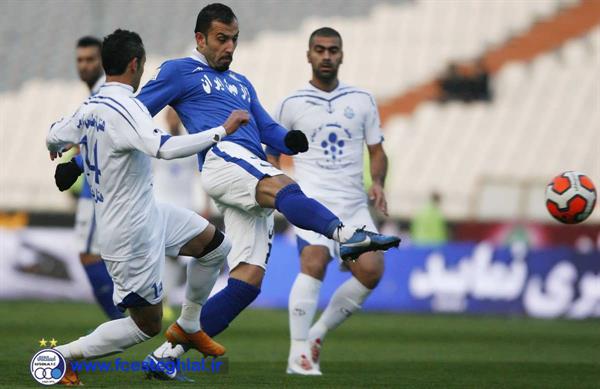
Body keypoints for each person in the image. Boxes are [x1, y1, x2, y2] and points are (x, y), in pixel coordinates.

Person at [55, 5, 400, 379]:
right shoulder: (179, 71)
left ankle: (168, 353)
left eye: (233, 39)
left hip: (245, 168)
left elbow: (267, 127)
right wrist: (77, 162)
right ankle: (345, 234)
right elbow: (130, 114)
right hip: (222, 157)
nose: (229, 47)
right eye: (221, 39)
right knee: (283, 185)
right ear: (200, 39)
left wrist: (290, 140)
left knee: (248, 281)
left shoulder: (241, 83)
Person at [46, 29, 249, 385]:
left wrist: (55, 145)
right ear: (135, 64)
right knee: (147, 326)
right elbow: (164, 148)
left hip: (148, 213)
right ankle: (62, 357)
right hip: (129, 233)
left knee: (216, 246)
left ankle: (188, 325)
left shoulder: (90, 106)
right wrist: (222, 130)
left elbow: (54, 132)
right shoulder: (128, 108)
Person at [265, 27, 390, 375]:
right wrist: (280, 191)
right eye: (319, 50)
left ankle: (317, 333)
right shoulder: (291, 104)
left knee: (371, 271)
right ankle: (298, 354)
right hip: (312, 204)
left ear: (341, 55)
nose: (326, 56)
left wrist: (377, 181)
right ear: (308, 55)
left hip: (353, 205)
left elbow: (377, 151)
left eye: (332, 50)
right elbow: (272, 154)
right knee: (314, 262)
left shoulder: (362, 100)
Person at [54, 36, 123, 320]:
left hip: (99, 188)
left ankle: (124, 324)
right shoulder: (95, 96)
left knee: (89, 254)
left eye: (90, 59)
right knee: (96, 255)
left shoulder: (102, 94)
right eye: (80, 60)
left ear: (103, 62)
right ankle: (126, 320)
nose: (84, 65)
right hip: (98, 187)